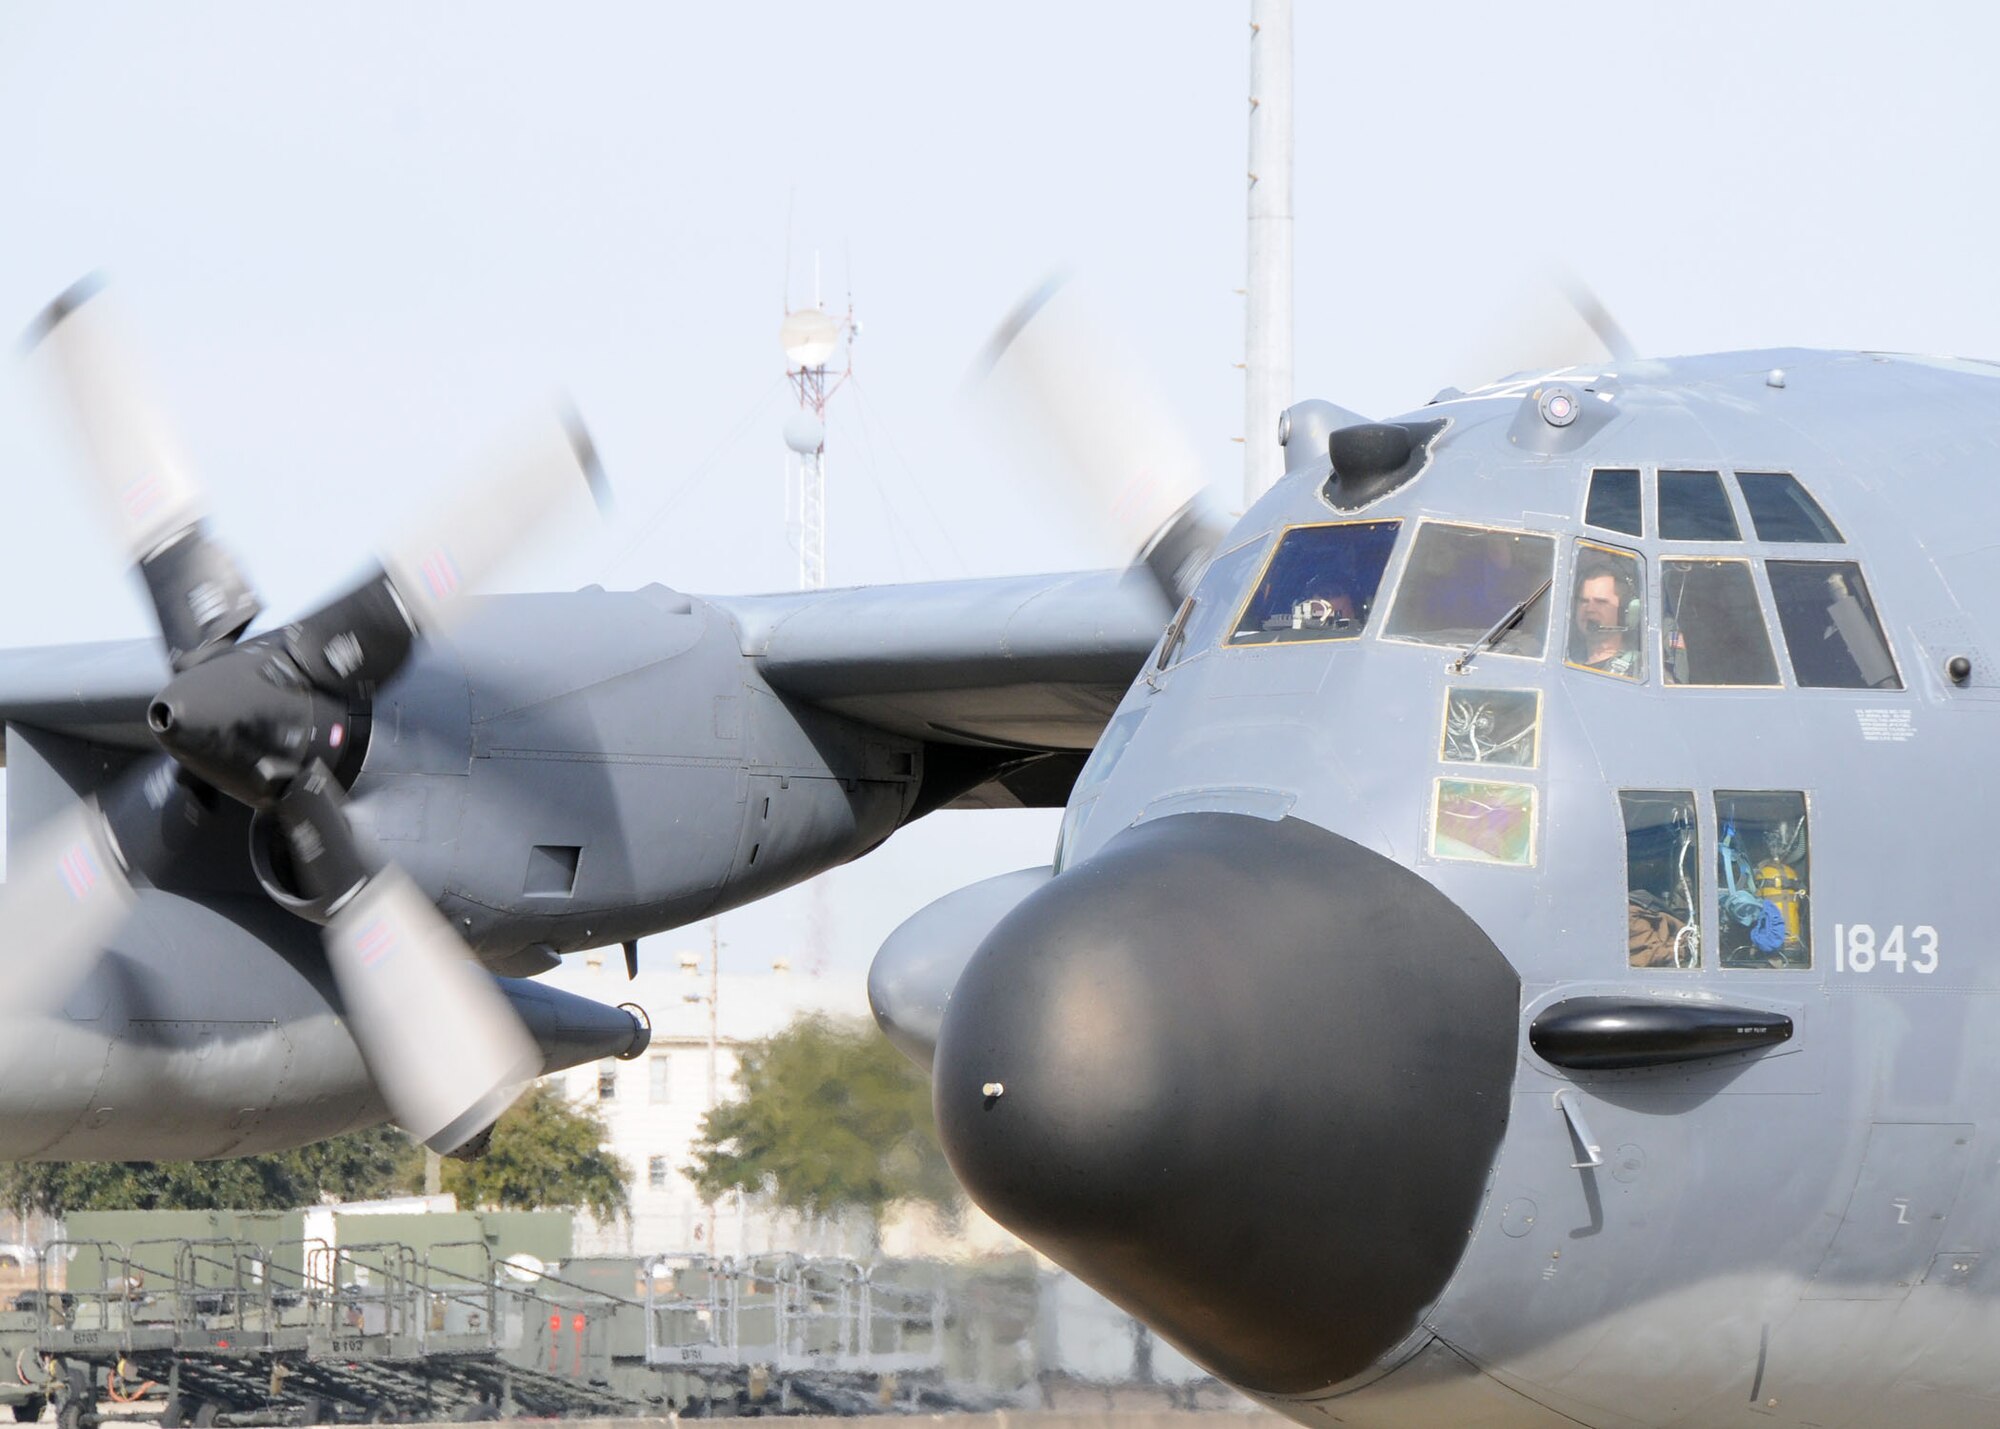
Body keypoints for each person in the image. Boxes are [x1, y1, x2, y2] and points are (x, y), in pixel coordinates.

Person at [1571, 557, 1640, 677]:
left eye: (1601, 602)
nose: (1589, 609)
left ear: (1624, 611)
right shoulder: (1568, 661)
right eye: (1583, 601)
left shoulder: (1639, 672)